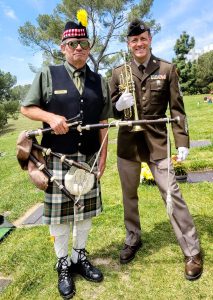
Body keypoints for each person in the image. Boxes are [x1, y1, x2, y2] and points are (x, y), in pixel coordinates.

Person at [21, 10, 112, 299]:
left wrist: (104, 158)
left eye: (85, 44)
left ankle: (79, 257)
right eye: (74, 45)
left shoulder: (99, 80)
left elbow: (105, 123)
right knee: (60, 218)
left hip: (88, 158)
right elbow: (26, 108)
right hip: (57, 159)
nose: (80, 49)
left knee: (85, 213)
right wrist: (49, 117)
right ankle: (63, 264)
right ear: (63, 47)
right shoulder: (48, 74)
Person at [109, 19, 203, 281]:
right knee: (129, 196)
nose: (139, 44)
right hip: (128, 144)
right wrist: (116, 106)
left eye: (143, 39)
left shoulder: (167, 69)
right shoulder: (118, 73)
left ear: (150, 39)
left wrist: (183, 142)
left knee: (172, 193)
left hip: (158, 142)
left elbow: (177, 109)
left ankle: (192, 250)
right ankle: (133, 238)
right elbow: (106, 107)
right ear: (128, 44)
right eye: (133, 40)